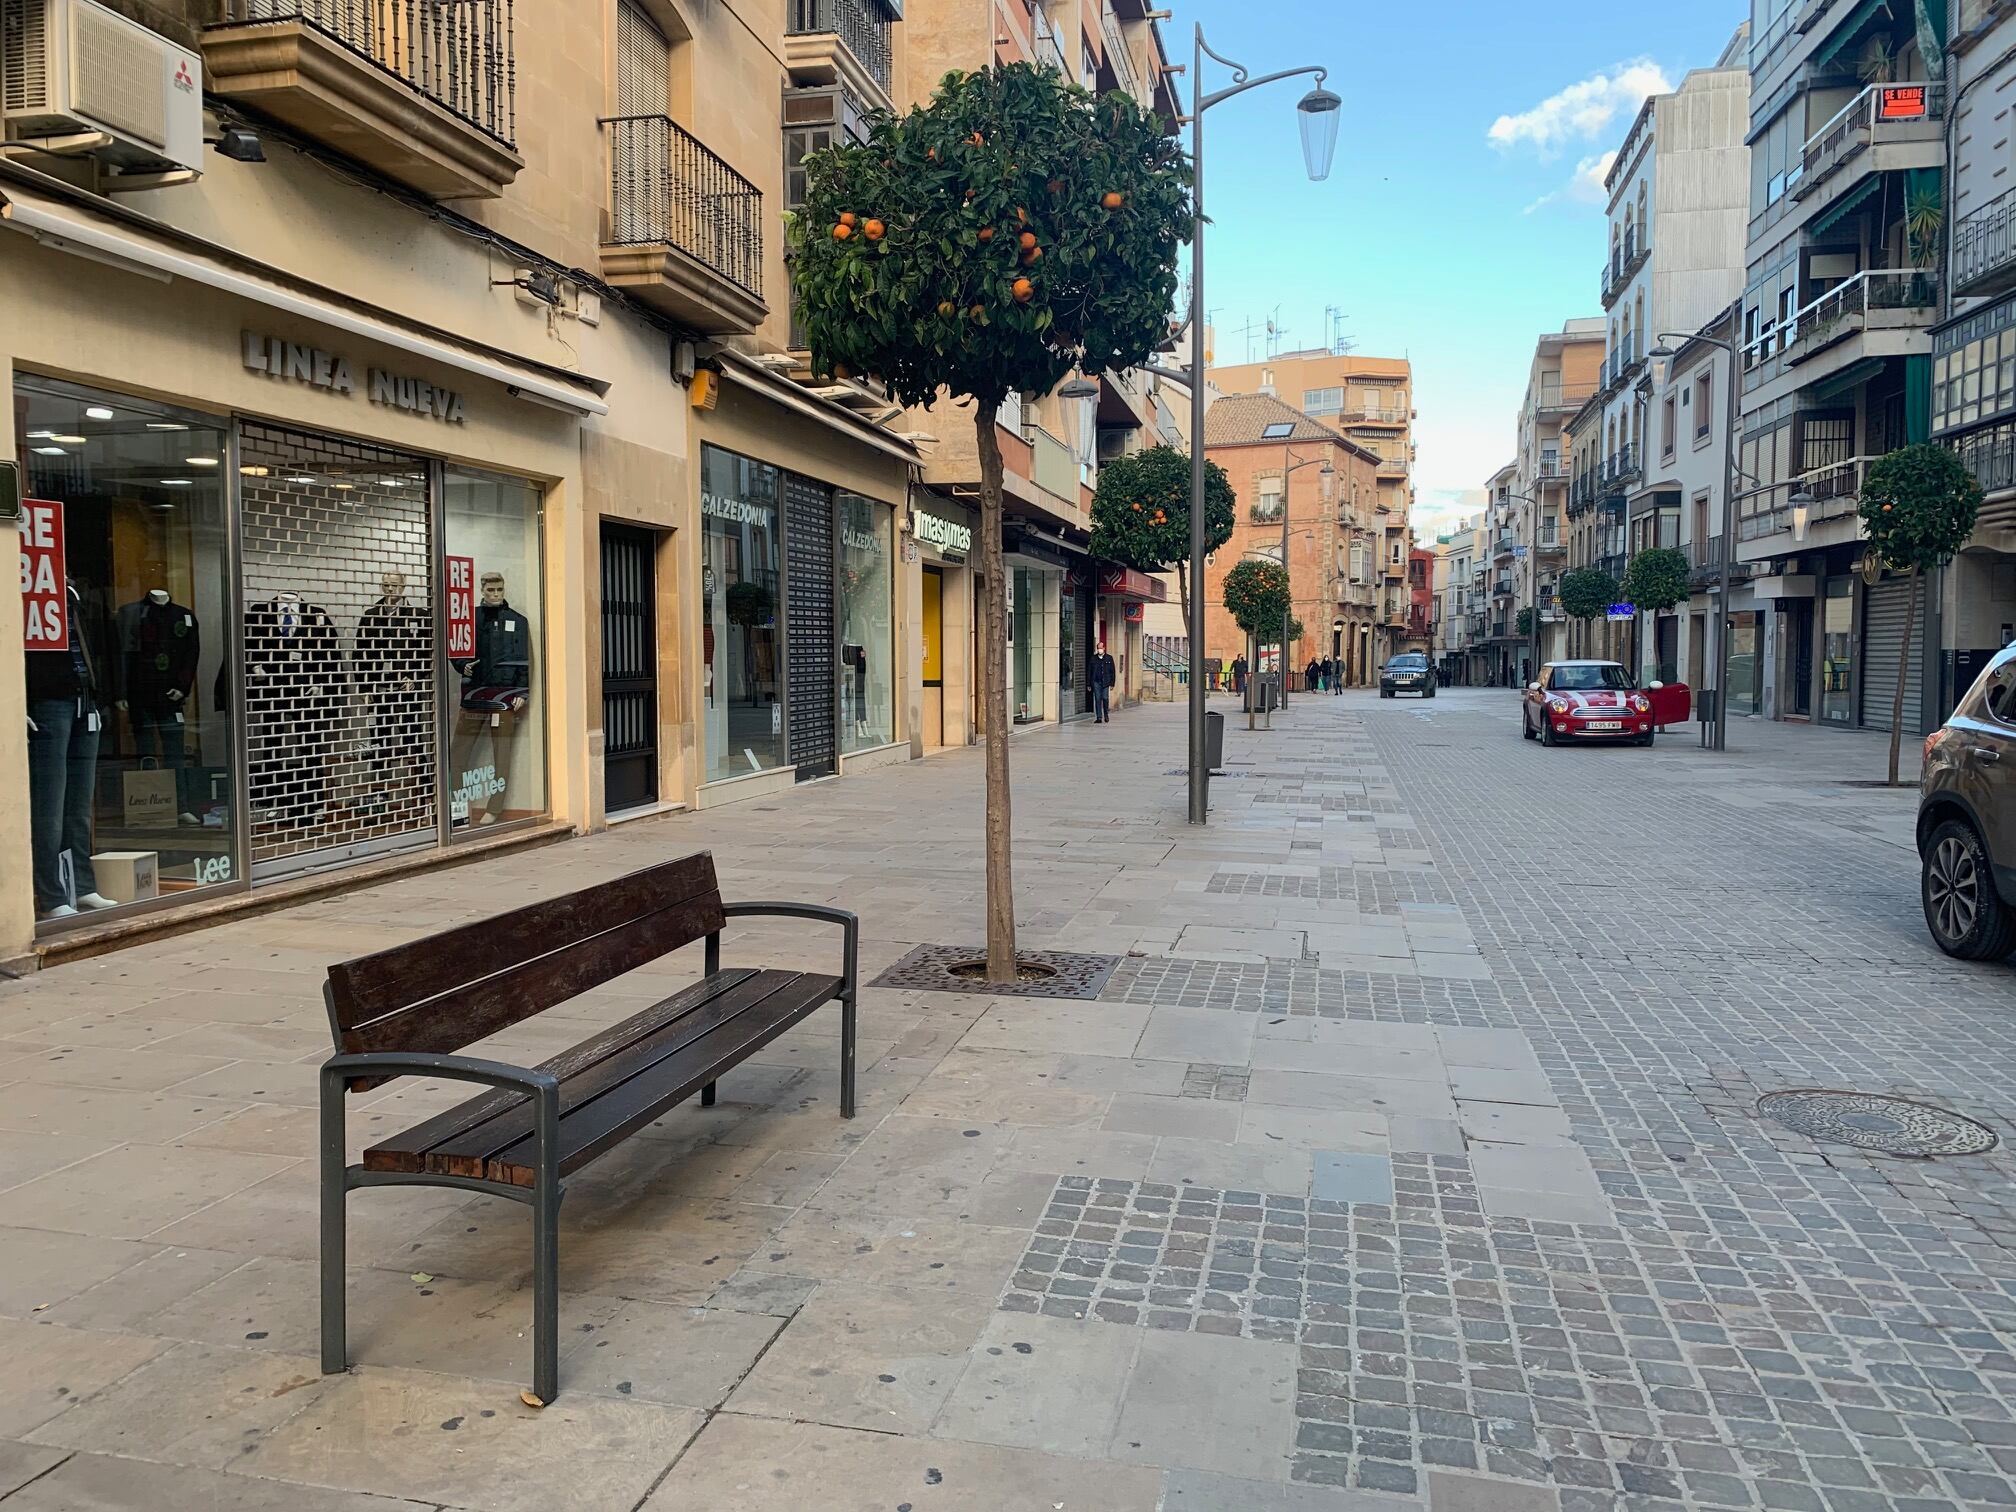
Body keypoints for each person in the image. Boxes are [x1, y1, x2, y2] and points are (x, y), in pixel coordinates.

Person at [1090, 642, 1117, 723]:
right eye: (1098, 648)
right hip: (1096, 681)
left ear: (1104, 648)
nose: (1099, 650)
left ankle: (1106, 714)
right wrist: (1089, 683)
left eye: (1101, 648)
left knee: (1105, 698)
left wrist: (1112, 683)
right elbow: (1090, 671)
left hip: (1106, 682)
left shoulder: (1109, 658)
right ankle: (1099, 717)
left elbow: (1112, 671)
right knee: (1097, 699)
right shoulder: (1093, 658)